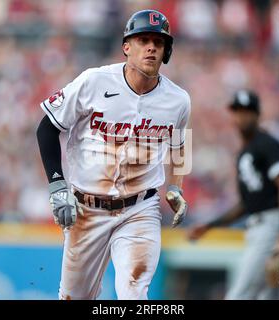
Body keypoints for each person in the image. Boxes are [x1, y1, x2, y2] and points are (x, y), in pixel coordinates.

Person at [36, 9, 191, 300]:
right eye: (143, 40)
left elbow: (180, 143)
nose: (151, 48)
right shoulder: (93, 82)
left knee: (134, 293)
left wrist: (175, 187)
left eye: (158, 43)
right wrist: (57, 184)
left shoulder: (178, 100)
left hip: (140, 210)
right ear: (126, 47)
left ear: (166, 51)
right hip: (86, 208)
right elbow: (46, 128)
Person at [187, 90, 279, 300]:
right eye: (238, 111)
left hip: (275, 228)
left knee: (241, 294)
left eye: (247, 111)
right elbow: (247, 204)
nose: (242, 117)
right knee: (273, 297)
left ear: (257, 115)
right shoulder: (246, 152)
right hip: (269, 227)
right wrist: (210, 225)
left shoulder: (268, 144)